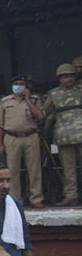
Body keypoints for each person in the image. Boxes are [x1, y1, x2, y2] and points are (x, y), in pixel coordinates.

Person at [0, 74, 45, 208]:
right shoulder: (5, 101)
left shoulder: (34, 99)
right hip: (11, 137)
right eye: (16, 83)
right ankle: (15, 200)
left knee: (34, 169)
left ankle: (36, 198)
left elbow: (41, 116)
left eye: (21, 84)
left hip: (31, 136)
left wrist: (28, 99)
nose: (18, 86)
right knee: (12, 171)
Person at [44, 63, 82, 206]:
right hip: (64, 135)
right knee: (68, 168)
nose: (69, 79)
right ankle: (71, 195)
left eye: (71, 76)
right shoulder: (53, 94)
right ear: (60, 79)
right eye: (65, 77)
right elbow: (46, 114)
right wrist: (45, 132)